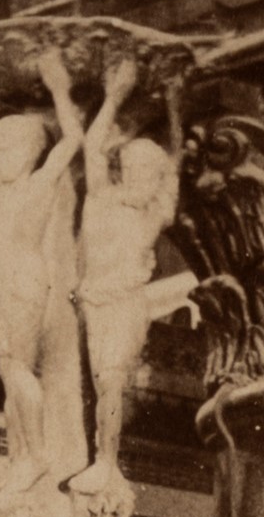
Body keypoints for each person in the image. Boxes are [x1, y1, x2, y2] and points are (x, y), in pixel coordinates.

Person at [74, 50, 195, 486]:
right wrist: (115, 95)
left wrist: (176, 107)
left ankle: (106, 462)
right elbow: (92, 146)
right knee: (94, 384)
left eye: (148, 171)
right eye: (132, 167)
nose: (139, 176)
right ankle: (98, 457)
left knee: (110, 381)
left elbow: (177, 158)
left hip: (125, 301)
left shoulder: (153, 215)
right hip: (93, 300)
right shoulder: (103, 198)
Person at [0, 53, 90, 492]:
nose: (0, 156)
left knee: (17, 366)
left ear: (31, 152)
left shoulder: (38, 184)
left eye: (10, 148)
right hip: (7, 285)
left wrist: (59, 88)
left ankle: (39, 453)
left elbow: (72, 140)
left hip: (27, 279)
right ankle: (27, 451)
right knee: (9, 371)